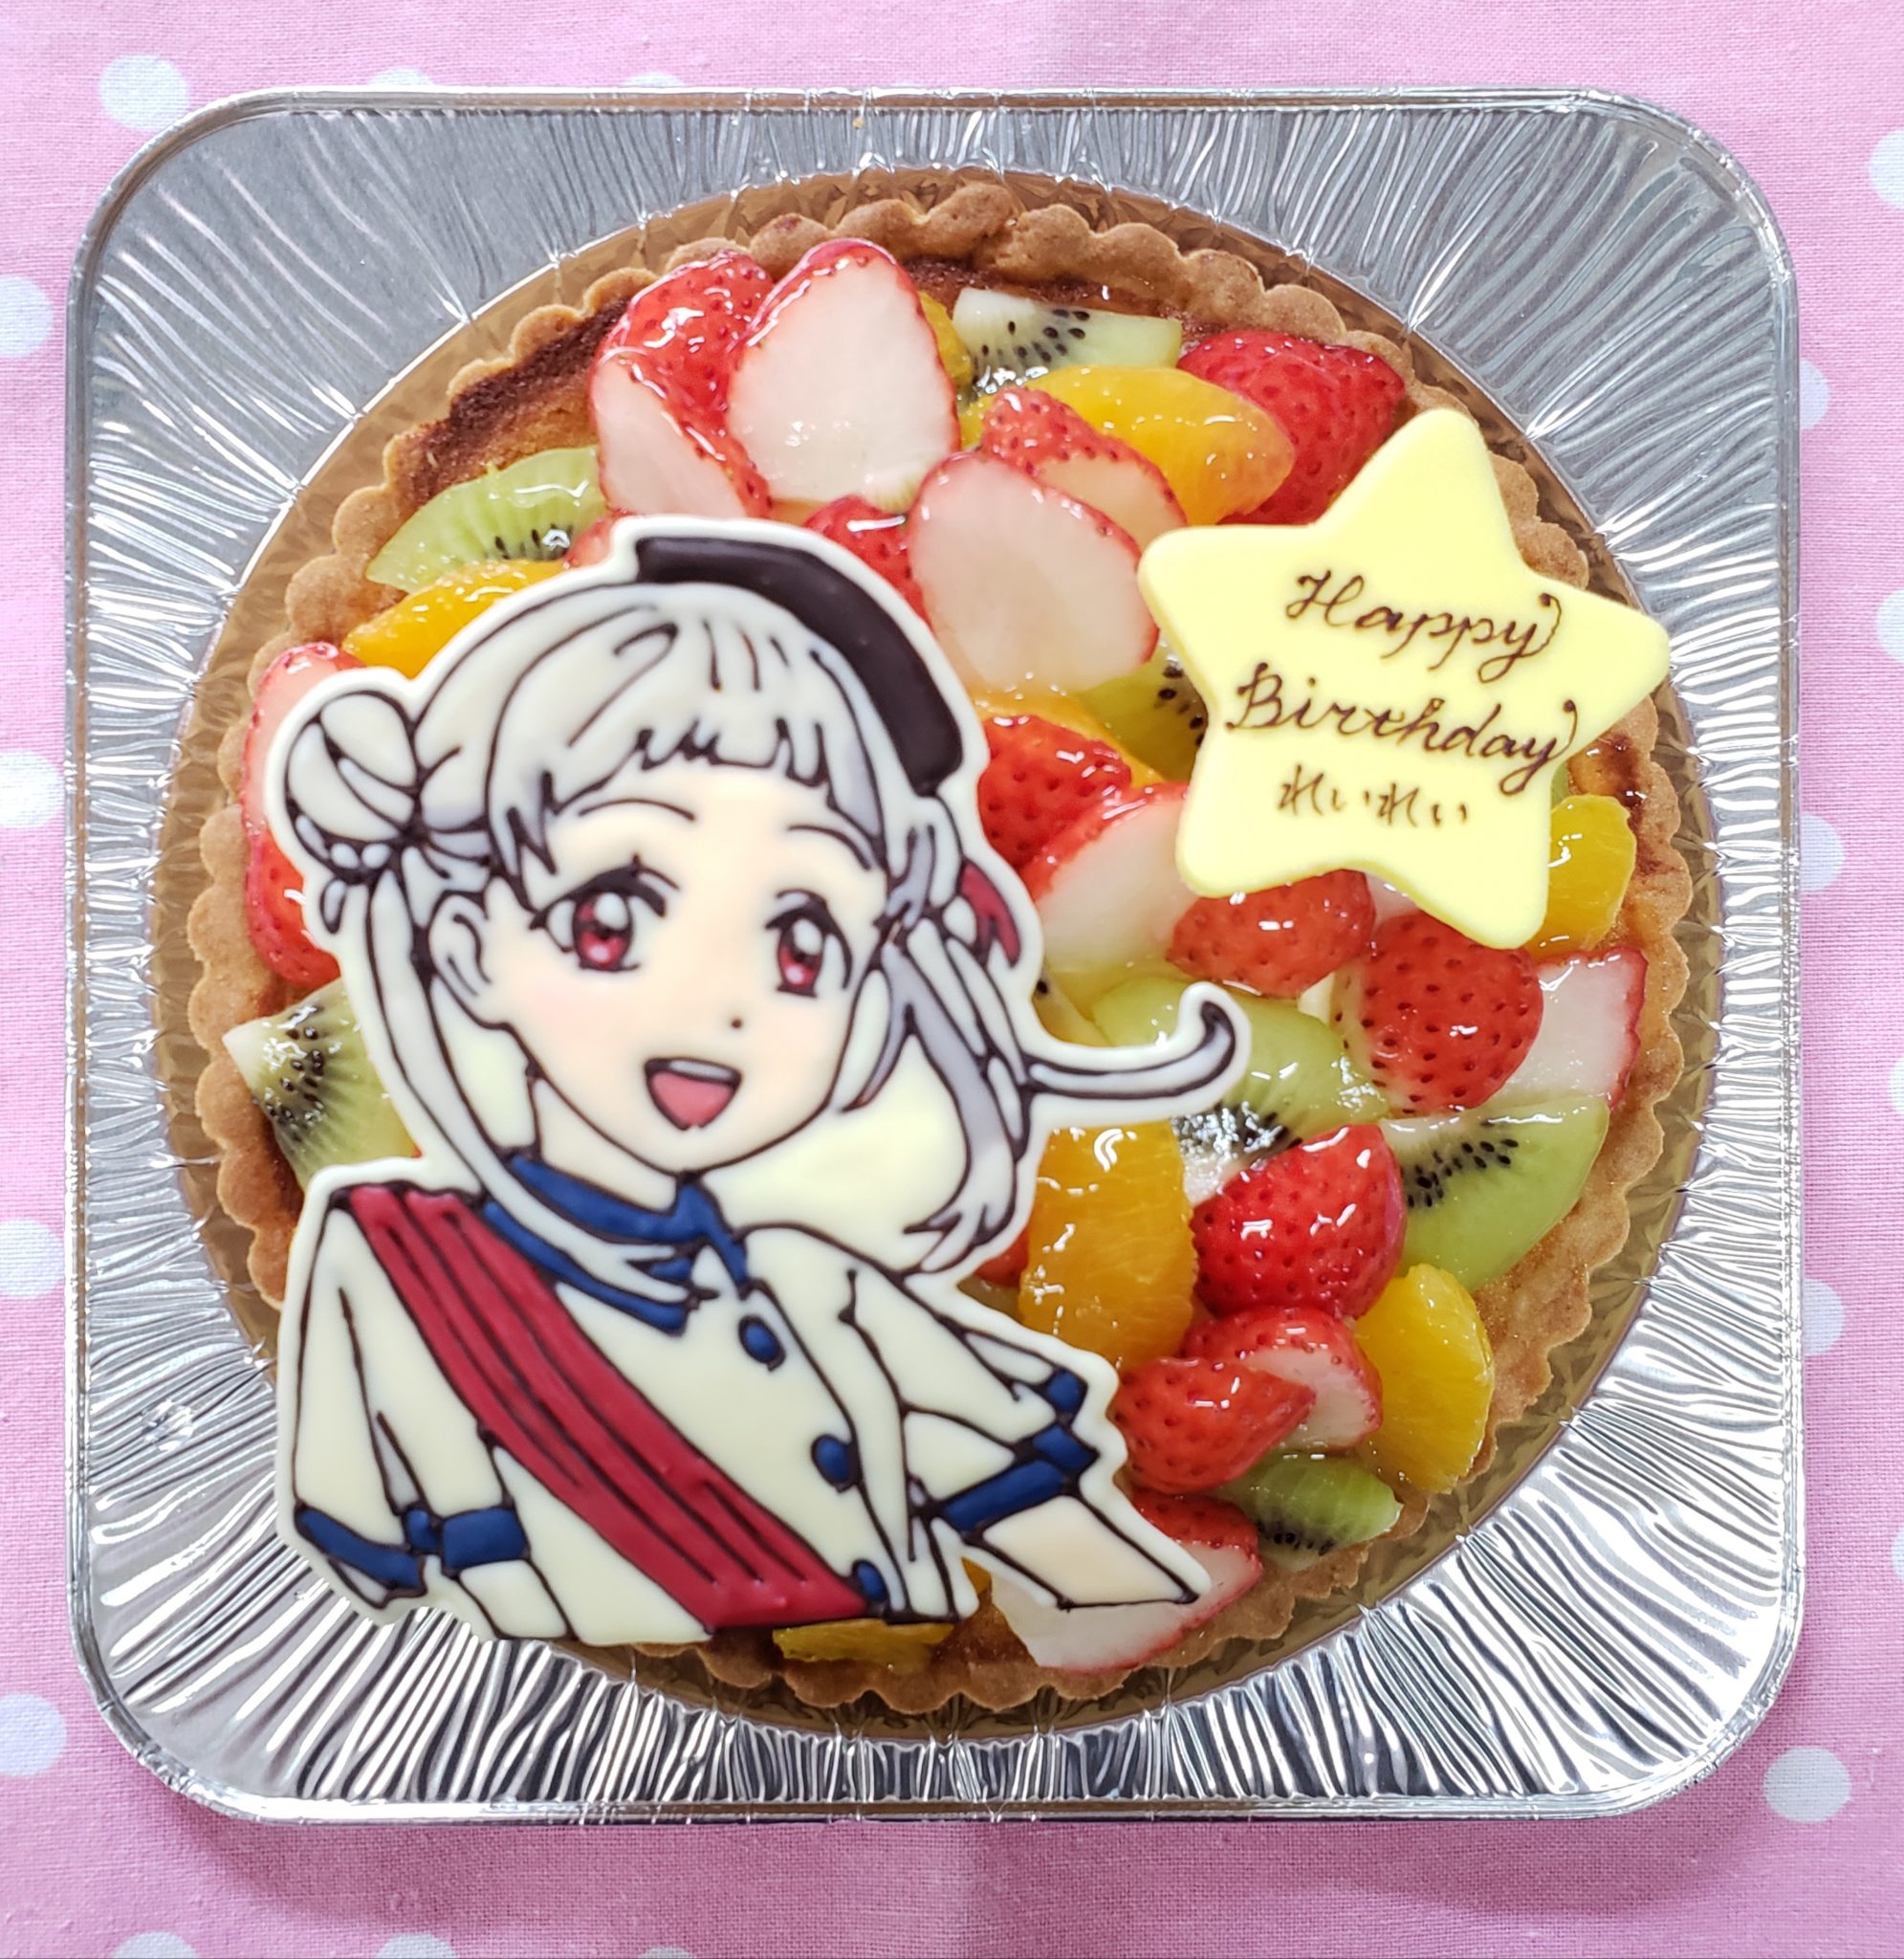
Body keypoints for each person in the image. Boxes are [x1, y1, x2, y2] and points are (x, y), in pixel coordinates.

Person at [272, 518, 1243, 1646]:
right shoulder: (394, 1261)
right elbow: (432, 1557)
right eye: (612, 915)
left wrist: (1122, 1588)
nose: (717, 1001)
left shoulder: (814, 1265)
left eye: (800, 941)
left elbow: (1019, 1495)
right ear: (464, 939)